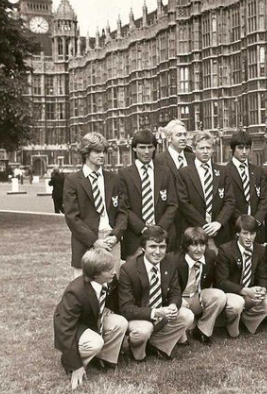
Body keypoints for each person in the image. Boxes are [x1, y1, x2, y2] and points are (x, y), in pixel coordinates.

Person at [53, 248, 128, 390]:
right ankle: (70, 362)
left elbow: (113, 300)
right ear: (94, 275)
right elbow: (66, 329)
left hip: (93, 318)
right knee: (95, 343)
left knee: (120, 322)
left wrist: (106, 308)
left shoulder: (109, 280)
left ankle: (105, 358)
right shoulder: (75, 292)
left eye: (112, 268)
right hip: (75, 325)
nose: (113, 272)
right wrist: (76, 366)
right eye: (108, 270)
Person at [118, 226, 192, 362]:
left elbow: (176, 292)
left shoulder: (170, 263)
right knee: (143, 330)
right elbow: (126, 308)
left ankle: (158, 345)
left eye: (162, 247)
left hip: (160, 311)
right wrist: (156, 312)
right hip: (138, 315)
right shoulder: (128, 269)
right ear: (143, 247)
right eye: (153, 246)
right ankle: (137, 353)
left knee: (187, 315)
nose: (158, 252)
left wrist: (174, 306)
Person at [64, 132, 126, 278]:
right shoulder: (73, 181)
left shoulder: (114, 179)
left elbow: (123, 212)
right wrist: (94, 241)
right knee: (84, 288)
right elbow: (72, 217)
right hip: (86, 242)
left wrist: (116, 235)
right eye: (97, 151)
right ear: (86, 153)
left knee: (111, 286)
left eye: (104, 151)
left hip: (111, 240)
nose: (102, 155)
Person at [119, 129, 178, 259]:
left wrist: (158, 230)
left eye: (150, 147)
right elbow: (124, 207)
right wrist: (143, 229)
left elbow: (172, 204)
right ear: (134, 148)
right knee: (135, 276)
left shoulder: (165, 172)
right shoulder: (124, 174)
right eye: (142, 147)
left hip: (163, 237)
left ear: (154, 148)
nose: (146, 152)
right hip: (135, 238)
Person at [215, 215, 267, 337]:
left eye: (252, 234)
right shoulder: (225, 250)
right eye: (245, 233)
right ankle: (231, 327)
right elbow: (222, 281)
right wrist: (245, 291)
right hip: (232, 293)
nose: (249, 237)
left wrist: (262, 289)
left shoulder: (260, 250)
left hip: (250, 292)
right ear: (238, 233)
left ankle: (246, 322)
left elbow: (263, 276)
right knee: (236, 304)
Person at [177, 131, 235, 249]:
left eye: (208, 148)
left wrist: (218, 223)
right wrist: (204, 226)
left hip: (220, 233)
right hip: (194, 233)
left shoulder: (223, 172)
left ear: (212, 150)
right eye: (201, 148)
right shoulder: (184, 173)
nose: (205, 151)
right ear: (194, 149)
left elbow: (230, 201)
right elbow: (184, 203)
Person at [168, 227, 226, 346]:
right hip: (179, 297)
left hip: (196, 295)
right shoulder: (174, 260)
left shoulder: (209, 256)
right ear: (186, 246)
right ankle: (181, 333)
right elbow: (168, 290)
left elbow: (213, 279)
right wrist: (177, 300)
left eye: (203, 245)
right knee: (182, 341)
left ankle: (203, 330)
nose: (199, 250)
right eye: (194, 245)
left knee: (219, 296)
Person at [154, 119, 196, 250]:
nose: (183, 138)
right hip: (170, 222)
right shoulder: (159, 160)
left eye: (185, 134)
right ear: (169, 138)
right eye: (179, 135)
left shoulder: (193, 158)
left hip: (192, 220)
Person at [226, 130, 267, 243]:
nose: (244, 152)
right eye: (240, 148)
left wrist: (256, 221)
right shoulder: (225, 172)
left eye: (247, 148)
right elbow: (227, 201)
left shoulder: (258, 171)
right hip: (235, 228)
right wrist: (242, 223)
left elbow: (264, 199)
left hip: (257, 230)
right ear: (233, 149)